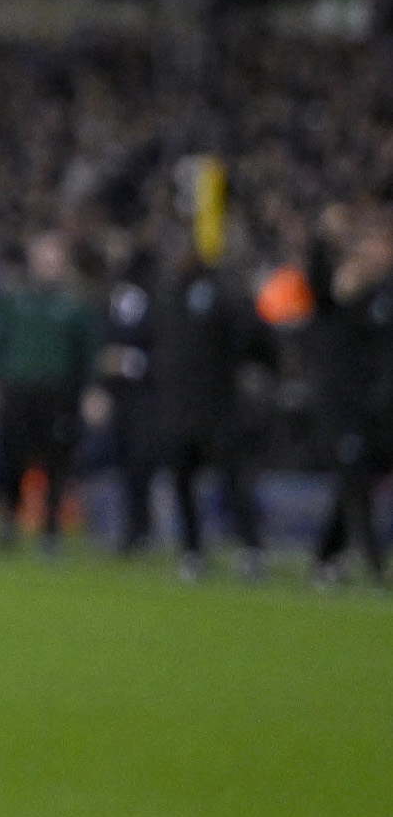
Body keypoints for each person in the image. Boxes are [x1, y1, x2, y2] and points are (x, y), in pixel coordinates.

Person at [114, 244, 265, 577]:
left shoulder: (223, 292)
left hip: (217, 404)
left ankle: (250, 546)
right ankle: (192, 549)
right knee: (183, 480)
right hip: (176, 406)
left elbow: (249, 338)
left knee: (232, 478)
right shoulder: (166, 294)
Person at [0, 234, 98, 554]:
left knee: (57, 460)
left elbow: (87, 352)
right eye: (43, 259)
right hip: (19, 390)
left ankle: (51, 528)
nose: (47, 265)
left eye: (53, 260)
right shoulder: (14, 301)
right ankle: (9, 520)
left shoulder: (74, 307)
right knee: (13, 457)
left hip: (58, 393)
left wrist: (91, 390)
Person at [309, 205, 393, 590]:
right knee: (355, 481)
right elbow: (320, 281)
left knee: (354, 483)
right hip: (348, 411)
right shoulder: (339, 306)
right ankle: (374, 563)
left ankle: (327, 557)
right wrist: (323, 238)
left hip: (375, 410)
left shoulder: (375, 302)